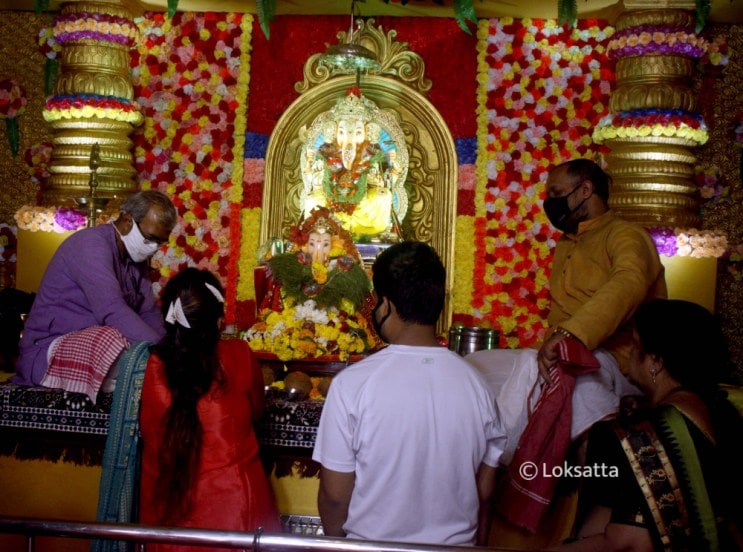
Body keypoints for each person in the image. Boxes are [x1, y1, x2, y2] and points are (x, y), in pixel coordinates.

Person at [312, 241, 507, 545]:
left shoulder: (352, 385)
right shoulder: (478, 386)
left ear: (386, 305)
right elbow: (485, 494)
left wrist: (338, 543)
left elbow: (335, 497)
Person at [555, 299, 743, 551]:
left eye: (634, 346)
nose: (629, 356)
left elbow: (626, 542)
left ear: (655, 361)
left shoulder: (640, 434)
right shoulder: (724, 417)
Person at [139, 268, 282, 549]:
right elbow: (256, 411)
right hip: (235, 515)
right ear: (218, 320)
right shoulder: (238, 354)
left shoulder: (150, 366)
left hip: (167, 513)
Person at [13, 190, 177, 401]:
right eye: (150, 239)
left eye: (160, 243)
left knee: (143, 344)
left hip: (94, 349)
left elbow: (148, 312)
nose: (154, 248)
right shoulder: (90, 245)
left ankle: (124, 377)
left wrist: (169, 348)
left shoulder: (134, 257)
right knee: (110, 337)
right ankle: (120, 378)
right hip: (47, 351)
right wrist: (162, 351)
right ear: (127, 220)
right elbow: (111, 311)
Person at [537, 158, 667, 380]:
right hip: (560, 351)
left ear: (585, 190)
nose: (550, 203)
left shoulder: (625, 234)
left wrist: (572, 333)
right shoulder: (568, 241)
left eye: (556, 193)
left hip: (614, 361)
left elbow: (628, 283)